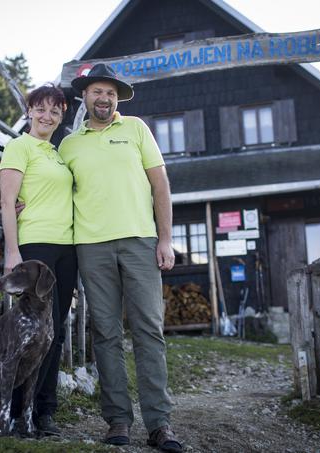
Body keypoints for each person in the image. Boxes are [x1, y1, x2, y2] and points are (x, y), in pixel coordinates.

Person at [59, 63, 182, 453]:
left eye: (111, 93)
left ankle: (159, 425)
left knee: (149, 331)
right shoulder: (69, 145)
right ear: (84, 96)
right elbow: (55, 187)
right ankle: (117, 421)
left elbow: (160, 184)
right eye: (97, 91)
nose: (104, 98)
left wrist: (165, 239)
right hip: (91, 247)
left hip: (140, 242)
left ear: (117, 98)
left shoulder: (136, 130)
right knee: (106, 335)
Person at [0, 83, 77, 436]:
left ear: (62, 116)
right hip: (36, 249)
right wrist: (13, 252)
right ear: (29, 111)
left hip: (67, 249)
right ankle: (17, 412)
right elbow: (7, 202)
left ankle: (45, 412)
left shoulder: (58, 153)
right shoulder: (19, 146)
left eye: (56, 111)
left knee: (55, 333)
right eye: (41, 109)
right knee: (31, 335)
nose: (48, 116)